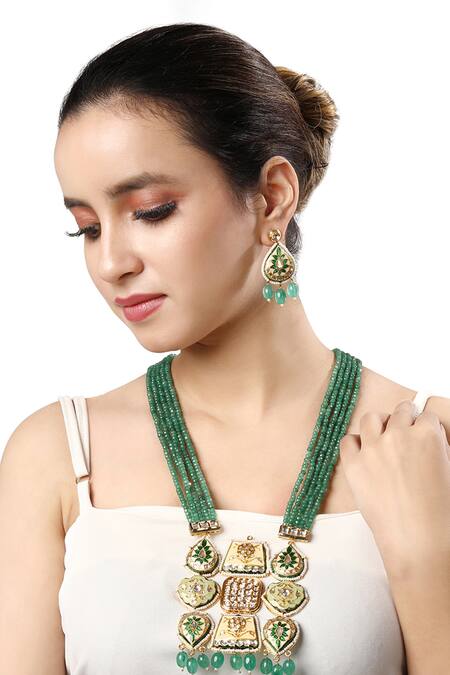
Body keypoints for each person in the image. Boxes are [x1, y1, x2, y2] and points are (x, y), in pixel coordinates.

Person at [0, 22, 449, 675]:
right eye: (87, 228)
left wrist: (427, 560)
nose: (111, 262)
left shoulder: (428, 444)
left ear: (271, 197)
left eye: (151, 210)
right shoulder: (57, 455)